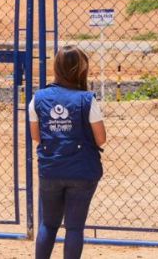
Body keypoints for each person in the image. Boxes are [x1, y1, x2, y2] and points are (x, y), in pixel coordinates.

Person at [30, 46, 107, 259]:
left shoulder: (38, 98)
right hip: (82, 171)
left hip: (51, 169)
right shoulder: (87, 99)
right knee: (74, 228)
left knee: (48, 223)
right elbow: (101, 138)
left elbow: (36, 136)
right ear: (80, 70)